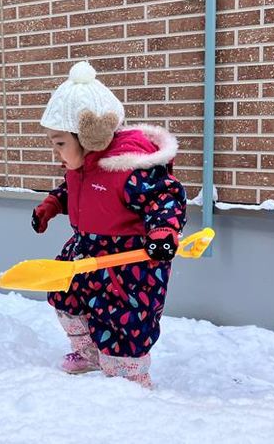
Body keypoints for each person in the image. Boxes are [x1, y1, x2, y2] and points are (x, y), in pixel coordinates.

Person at [31, 61, 186, 388]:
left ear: (89, 136)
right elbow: (72, 188)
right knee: (65, 296)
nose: (55, 150)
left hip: (129, 261)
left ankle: (128, 381)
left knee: (125, 321)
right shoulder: (81, 166)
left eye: (59, 142)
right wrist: (52, 205)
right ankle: (88, 352)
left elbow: (164, 197)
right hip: (85, 250)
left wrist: (162, 232)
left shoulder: (127, 168)